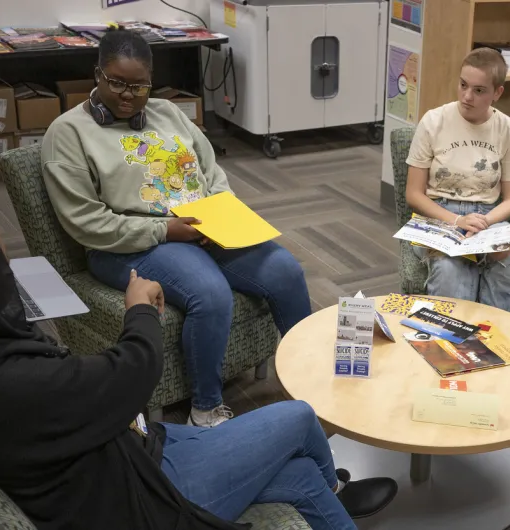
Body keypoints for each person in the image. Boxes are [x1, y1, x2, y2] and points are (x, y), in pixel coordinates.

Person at [0, 207, 397, 530]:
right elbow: (132, 373)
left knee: (300, 476)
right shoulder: (9, 388)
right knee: (299, 416)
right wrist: (139, 309)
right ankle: (336, 487)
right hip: (145, 495)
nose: (8, 283)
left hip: (131, 451)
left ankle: (328, 493)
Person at [42, 29, 311, 427]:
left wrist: (220, 210)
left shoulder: (168, 113)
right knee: (210, 293)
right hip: (129, 246)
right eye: (116, 82)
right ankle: (204, 409)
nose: (127, 95)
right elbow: (87, 223)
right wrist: (167, 230)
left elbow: (212, 172)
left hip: (203, 227)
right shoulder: (67, 134)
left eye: (139, 86)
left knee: (286, 271)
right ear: (97, 74)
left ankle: (311, 379)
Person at [404, 47, 510, 316]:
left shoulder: (507, 129)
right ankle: (447, 348)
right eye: (463, 85)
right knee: (451, 274)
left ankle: (497, 343)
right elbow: (414, 194)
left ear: (497, 93)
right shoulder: (434, 121)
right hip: (439, 214)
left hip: (486, 216)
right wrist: (456, 221)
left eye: (478, 90)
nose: (466, 96)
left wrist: (483, 222)